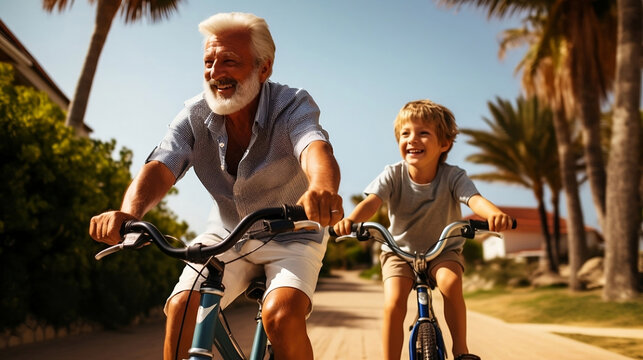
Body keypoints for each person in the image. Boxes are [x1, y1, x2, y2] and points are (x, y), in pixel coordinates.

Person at [89, 12, 343, 360]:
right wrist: (129, 215)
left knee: (281, 318)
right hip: (227, 233)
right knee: (181, 307)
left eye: (229, 61)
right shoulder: (194, 114)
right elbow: (161, 165)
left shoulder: (291, 104)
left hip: (293, 233)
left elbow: (315, 147)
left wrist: (322, 187)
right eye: (209, 61)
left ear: (263, 68)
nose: (215, 72)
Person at [333, 99, 513, 360]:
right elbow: (372, 202)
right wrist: (350, 221)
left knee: (451, 286)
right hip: (399, 253)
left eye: (423, 133)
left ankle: (461, 349)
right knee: (394, 303)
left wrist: (494, 214)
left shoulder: (454, 176)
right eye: (405, 133)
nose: (412, 139)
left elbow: (474, 199)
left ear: (444, 144)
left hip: (442, 251)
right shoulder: (393, 174)